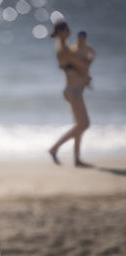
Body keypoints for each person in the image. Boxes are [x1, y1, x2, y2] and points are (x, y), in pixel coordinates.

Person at [49, 21, 93, 167]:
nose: (70, 31)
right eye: (67, 29)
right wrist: (90, 58)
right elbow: (83, 66)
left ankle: (77, 159)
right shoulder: (65, 50)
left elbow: (78, 68)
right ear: (61, 32)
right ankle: (54, 148)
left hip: (75, 90)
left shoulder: (65, 48)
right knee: (83, 124)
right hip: (73, 91)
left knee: (79, 125)